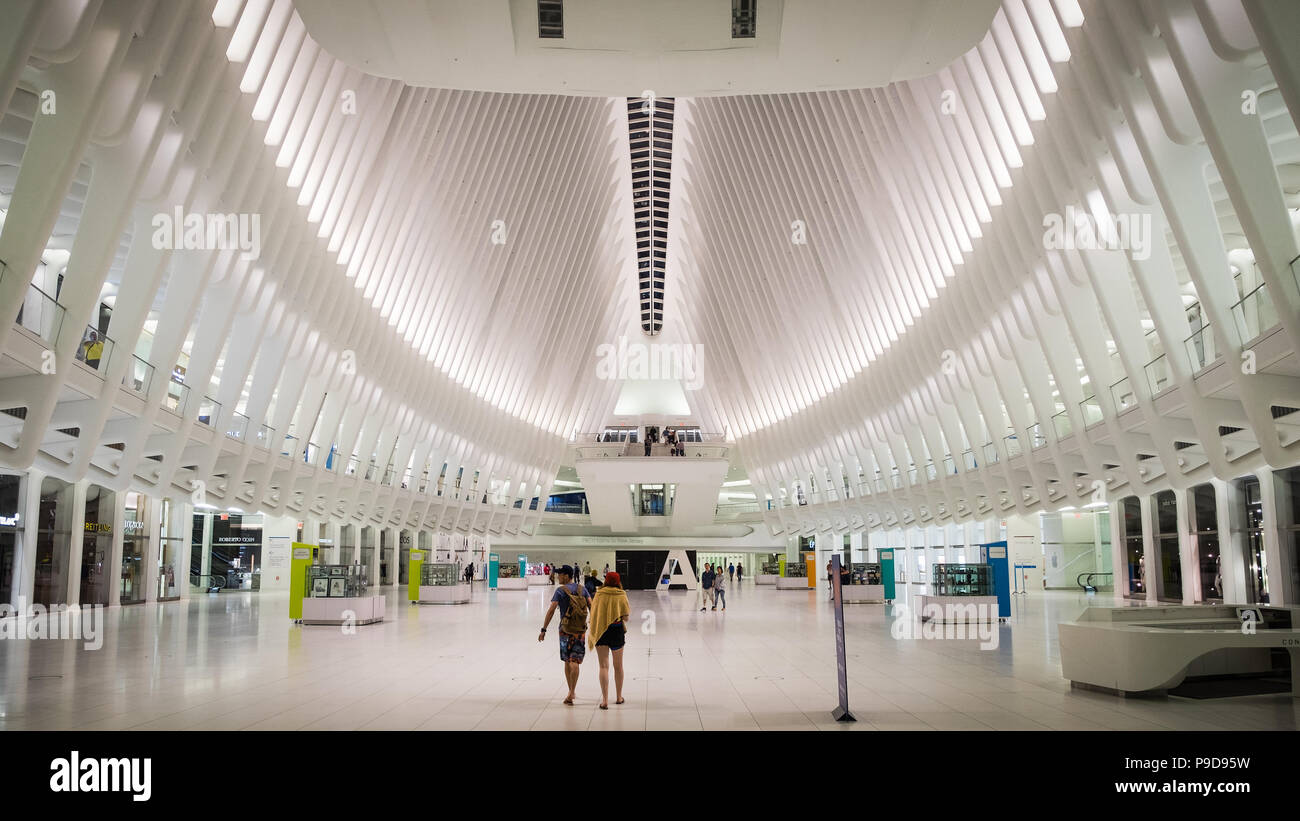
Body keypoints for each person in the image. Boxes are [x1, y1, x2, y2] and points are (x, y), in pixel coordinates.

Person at [538, 566, 591, 705]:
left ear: (567, 576)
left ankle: (571, 691)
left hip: (565, 630)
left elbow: (551, 610)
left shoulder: (560, 591)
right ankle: (572, 690)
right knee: (575, 661)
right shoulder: (582, 589)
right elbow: (592, 607)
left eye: (560, 575)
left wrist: (544, 629)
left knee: (567, 661)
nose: (558, 577)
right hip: (580, 631)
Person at [589, 571, 630, 709]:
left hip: (601, 631)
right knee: (618, 666)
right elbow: (626, 617)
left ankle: (605, 700)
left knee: (603, 666)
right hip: (616, 630)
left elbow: (594, 613)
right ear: (618, 582)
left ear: (605, 581)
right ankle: (618, 697)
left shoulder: (599, 594)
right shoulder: (621, 594)